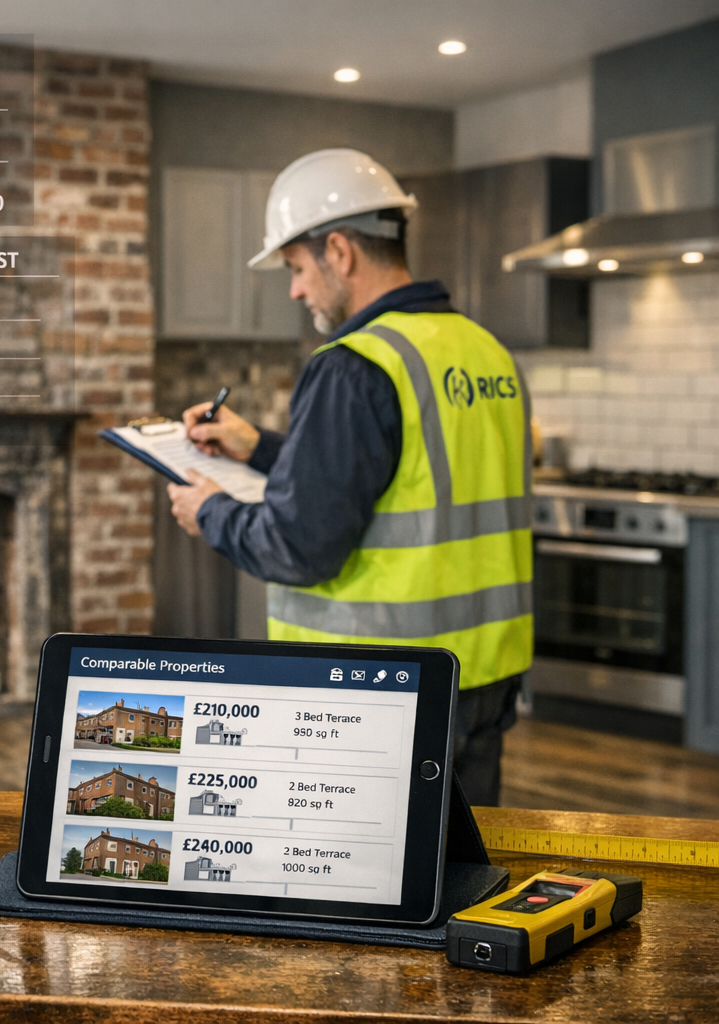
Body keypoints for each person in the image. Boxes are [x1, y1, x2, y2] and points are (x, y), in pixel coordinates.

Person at [166, 148, 532, 806]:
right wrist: (258, 447)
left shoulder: (354, 365)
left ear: (339, 251)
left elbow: (298, 545)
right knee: (466, 876)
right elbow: (404, 482)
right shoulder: (485, 351)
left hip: (384, 687)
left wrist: (210, 510)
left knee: (372, 893)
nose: (296, 290)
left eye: (296, 269)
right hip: (485, 678)